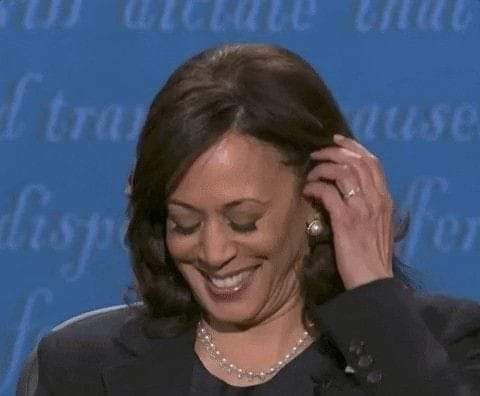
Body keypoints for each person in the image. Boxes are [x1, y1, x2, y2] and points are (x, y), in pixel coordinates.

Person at [17, 43, 480, 396]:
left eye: (243, 222)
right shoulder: (77, 365)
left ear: (317, 200)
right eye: (185, 224)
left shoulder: (441, 347)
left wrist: (374, 300)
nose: (214, 253)